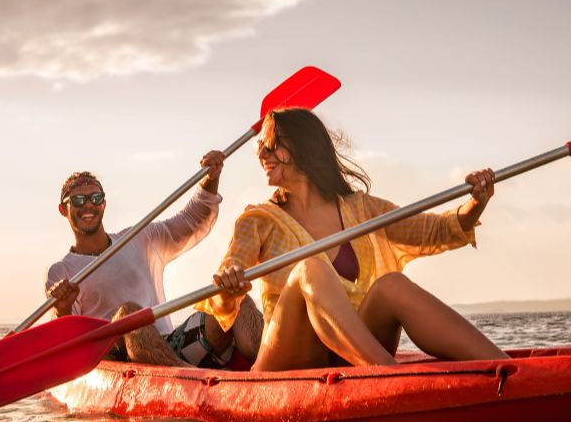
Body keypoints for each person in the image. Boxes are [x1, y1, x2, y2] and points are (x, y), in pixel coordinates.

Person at [199, 108, 509, 371]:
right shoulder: (257, 219)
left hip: (351, 356)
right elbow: (227, 281)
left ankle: (508, 369)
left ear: (302, 148)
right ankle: (390, 376)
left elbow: (435, 231)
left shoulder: (360, 208)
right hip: (289, 359)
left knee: (392, 284)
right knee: (310, 269)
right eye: (260, 149)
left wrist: (476, 202)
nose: (261, 155)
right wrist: (229, 284)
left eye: (270, 146)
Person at [46, 157, 262, 368]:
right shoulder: (61, 272)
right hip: (118, 361)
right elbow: (69, 340)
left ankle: (271, 365)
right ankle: (189, 378)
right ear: (63, 209)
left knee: (232, 296)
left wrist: (211, 178)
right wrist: (62, 308)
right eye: (78, 200)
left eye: (95, 197)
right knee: (128, 314)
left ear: (103, 204)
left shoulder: (138, 238)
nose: (88, 206)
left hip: (169, 346)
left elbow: (192, 220)